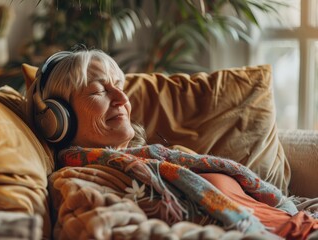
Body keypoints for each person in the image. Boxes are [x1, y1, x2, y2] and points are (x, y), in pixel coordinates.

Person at [27, 48, 318, 239]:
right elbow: (109, 231)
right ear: (57, 118)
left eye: (119, 85)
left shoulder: (167, 160)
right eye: (98, 91)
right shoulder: (79, 180)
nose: (122, 99)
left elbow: (280, 204)